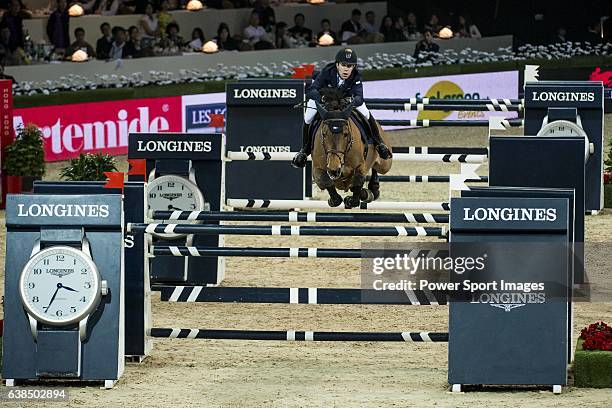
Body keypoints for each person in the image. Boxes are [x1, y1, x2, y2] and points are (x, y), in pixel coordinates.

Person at [291, 48, 391, 169]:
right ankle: (304, 150)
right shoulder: (327, 71)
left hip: (346, 101)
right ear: (337, 64)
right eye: (343, 65)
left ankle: (379, 143)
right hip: (325, 100)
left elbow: (360, 98)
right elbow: (312, 90)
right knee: (308, 118)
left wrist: (350, 101)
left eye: (350, 66)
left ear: (353, 67)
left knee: (366, 114)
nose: (346, 69)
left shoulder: (356, 77)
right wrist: (322, 98)